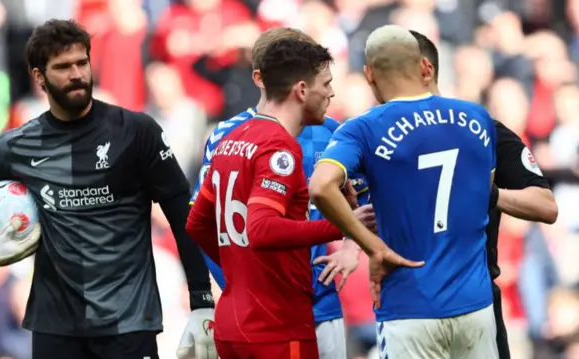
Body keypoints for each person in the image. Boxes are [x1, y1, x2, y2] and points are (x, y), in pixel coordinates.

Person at [0, 19, 216, 359]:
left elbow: (182, 211)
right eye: (63, 67)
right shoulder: (18, 144)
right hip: (55, 326)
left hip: (128, 322)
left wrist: (201, 300)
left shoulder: (137, 132)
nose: (76, 74)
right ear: (39, 77)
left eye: (82, 62)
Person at [186, 38, 404, 359]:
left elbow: (197, 223)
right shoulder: (280, 147)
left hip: (238, 315)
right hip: (279, 317)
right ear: (302, 90)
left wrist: (240, 273)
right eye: (326, 84)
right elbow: (262, 229)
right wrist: (341, 226)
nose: (331, 93)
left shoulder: (230, 138)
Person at [309, 25, 498, 358]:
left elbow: (322, 186)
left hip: (409, 307)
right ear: (425, 68)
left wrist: (373, 247)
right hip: (476, 305)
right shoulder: (478, 118)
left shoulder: (363, 128)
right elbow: (487, 193)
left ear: (369, 75)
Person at [409, 30, 557, 359]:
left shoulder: (485, 132)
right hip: (408, 308)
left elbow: (546, 206)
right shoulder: (372, 136)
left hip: (476, 300)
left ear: (425, 70)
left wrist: (488, 194)